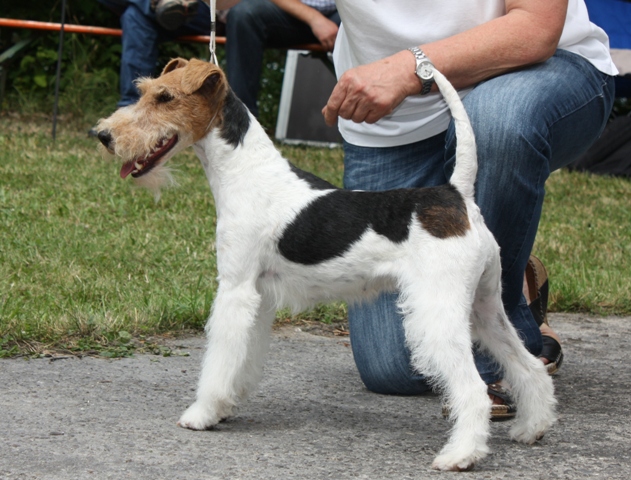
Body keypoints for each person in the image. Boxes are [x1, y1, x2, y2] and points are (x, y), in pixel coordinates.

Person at [216, 0, 617, 416]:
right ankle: (496, 260)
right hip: (391, 121)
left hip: (530, 75)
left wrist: (409, 68)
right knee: (394, 369)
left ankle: (497, 323)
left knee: (496, 120)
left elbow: (535, 29)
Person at [97, 0, 223, 108]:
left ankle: (130, 107)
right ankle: (135, 109)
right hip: (173, 11)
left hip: (213, 12)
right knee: (134, 16)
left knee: (136, 14)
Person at [225, 0, 339, 117]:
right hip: (288, 11)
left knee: (357, 26)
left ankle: (353, 125)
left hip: (343, 15)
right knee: (243, 15)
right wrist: (315, 19)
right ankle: (240, 122)